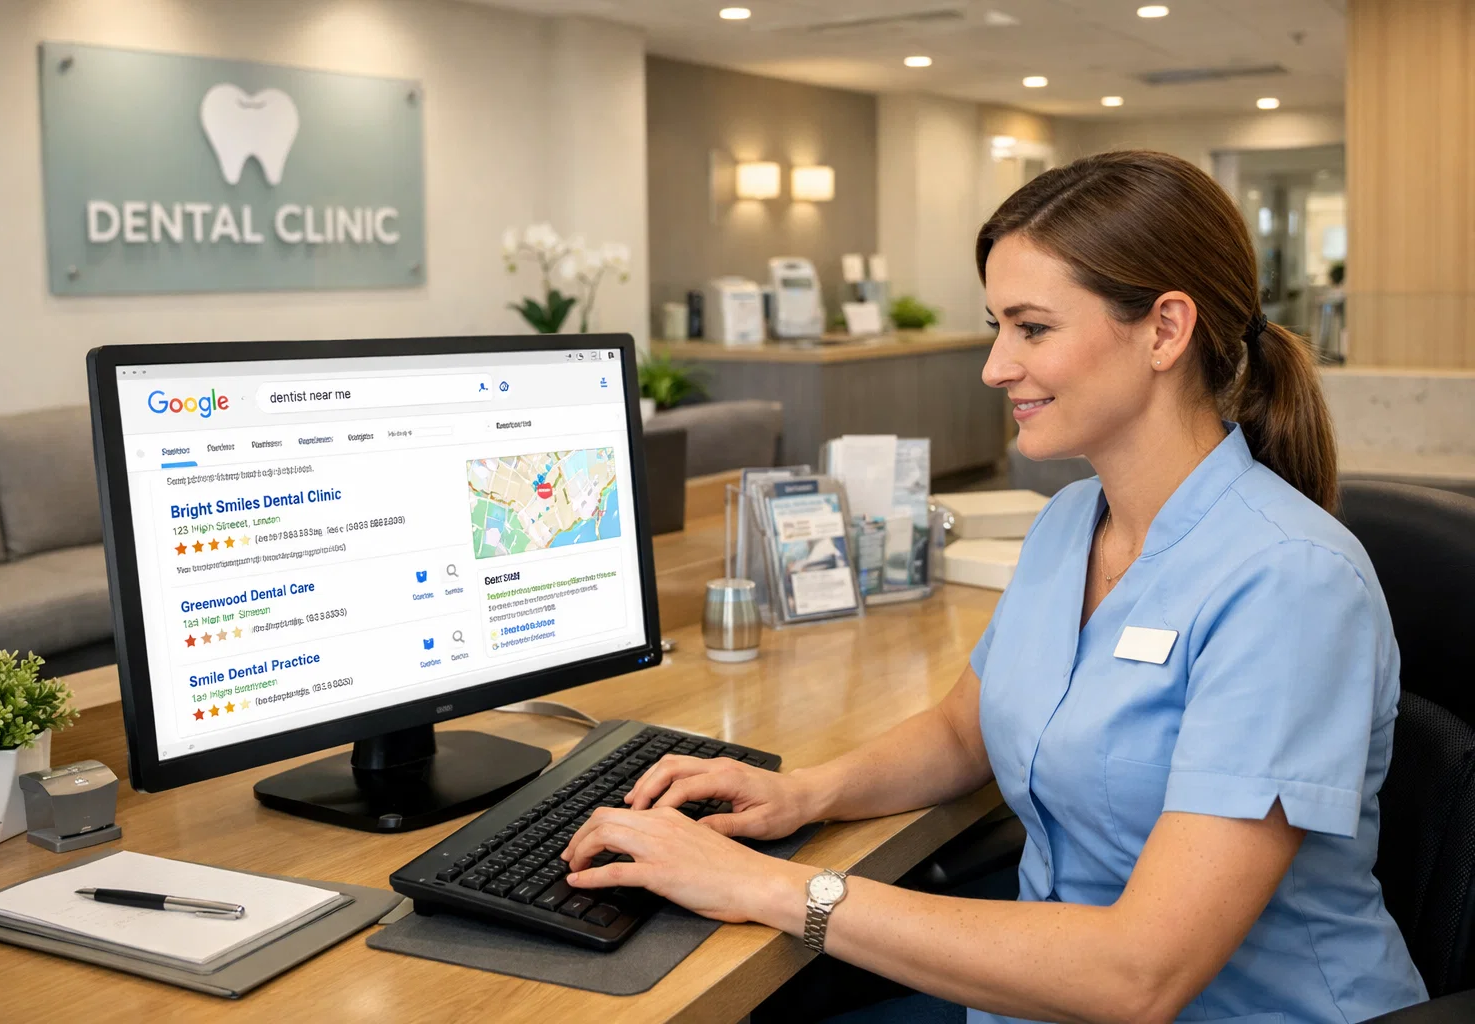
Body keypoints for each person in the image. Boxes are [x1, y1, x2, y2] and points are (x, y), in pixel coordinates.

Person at [560, 150, 1427, 1023]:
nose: (995, 366)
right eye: (996, 326)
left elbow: (1142, 976)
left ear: (1166, 330)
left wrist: (774, 888)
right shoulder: (1068, 525)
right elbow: (961, 731)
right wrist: (801, 794)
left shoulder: (1290, 583)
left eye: (1032, 328)